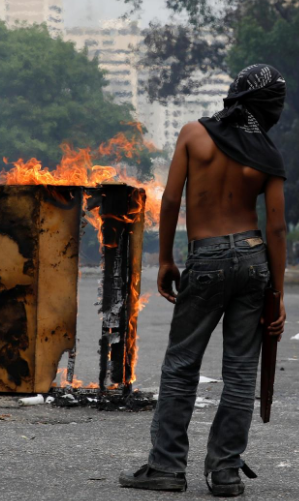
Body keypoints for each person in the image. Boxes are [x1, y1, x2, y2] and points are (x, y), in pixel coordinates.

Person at [119, 65, 287, 496]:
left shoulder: (195, 135)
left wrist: (165, 260)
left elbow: (171, 197)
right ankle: (225, 473)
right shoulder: (266, 154)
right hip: (253, 260)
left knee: (181, 366)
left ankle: (167, 467)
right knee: (240, 372)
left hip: (207, 255)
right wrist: (277, 295)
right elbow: (277, 229)